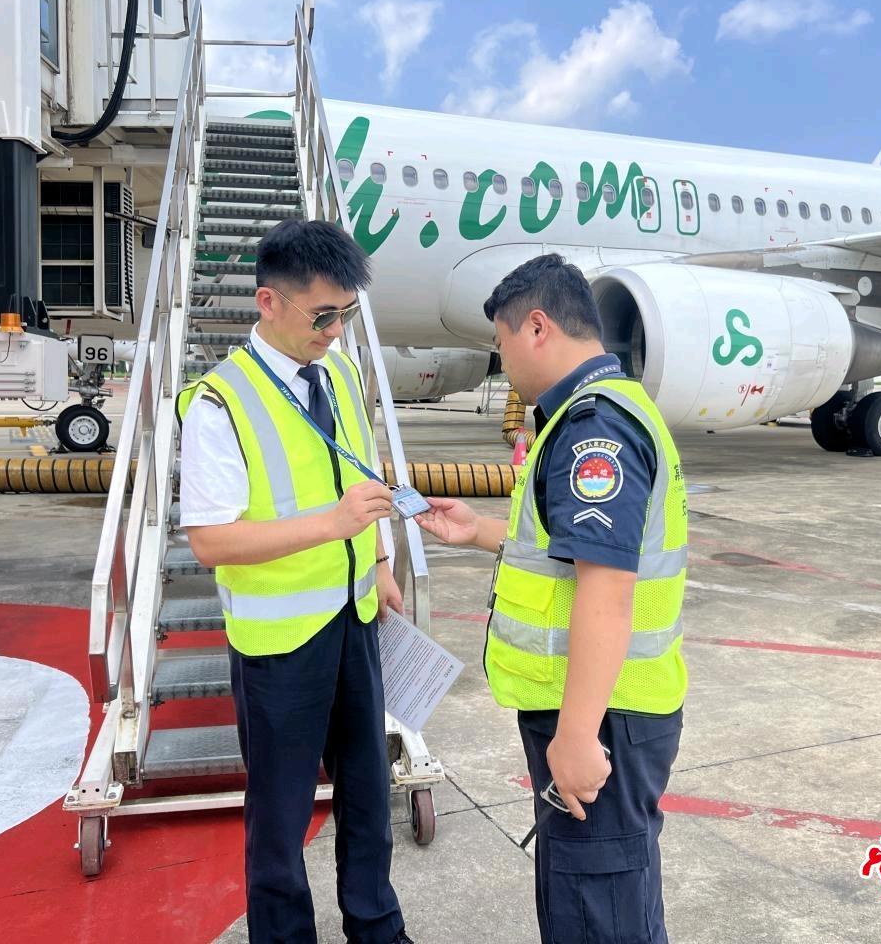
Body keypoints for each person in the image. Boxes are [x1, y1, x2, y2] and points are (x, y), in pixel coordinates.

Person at [415, 254, 687, 944]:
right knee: (594, 899)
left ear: (537, 327)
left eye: (501, 343)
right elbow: (566, 554)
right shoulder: (587, 413)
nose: (503, 363)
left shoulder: (594, 429)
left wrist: (576, 736)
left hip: (603, 715)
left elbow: (607, 592)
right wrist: (478, 530)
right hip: (602, 707)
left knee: (601, 911)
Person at [176, 219, 413, 944]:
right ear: (268, 302)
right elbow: (211, 541)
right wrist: (333, 525)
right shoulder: (218, 402)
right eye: (323, 316)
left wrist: (378, 562)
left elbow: (360, 474)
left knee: (368, 795)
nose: (335, 333)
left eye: (346, 314)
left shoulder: (340, 373)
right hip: (280, 642)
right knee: (280, 816)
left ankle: (377, 928)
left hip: (355, 618)